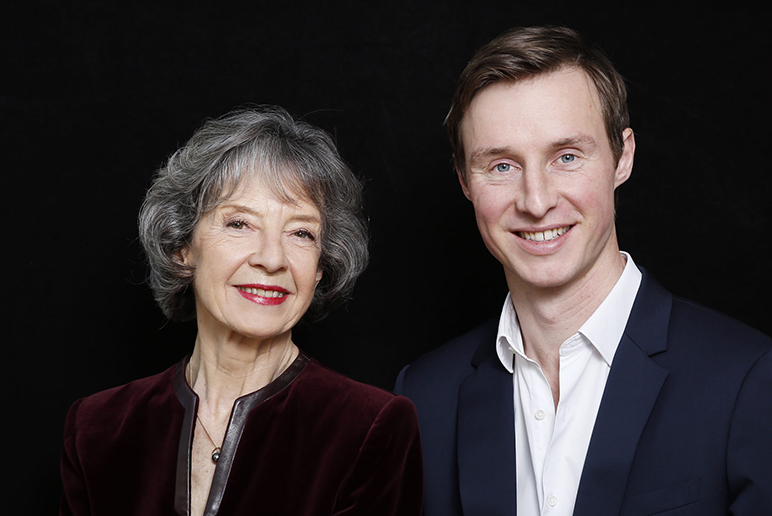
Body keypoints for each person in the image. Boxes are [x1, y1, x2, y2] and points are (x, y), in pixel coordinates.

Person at [395, 26, 772, 516]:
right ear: (466, 180)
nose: (536, 200)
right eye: (502, 166)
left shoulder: (748, 380)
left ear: (623, 156)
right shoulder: (422, 398)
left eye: (566, 157)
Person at [60, 106, 423, 516]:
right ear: (182, 249)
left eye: (301, 233)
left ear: (321, 268)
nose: (272, 259)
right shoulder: (97, 428)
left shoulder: (371, 426)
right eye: (240, 224)